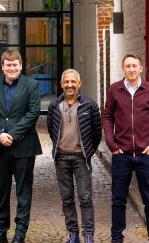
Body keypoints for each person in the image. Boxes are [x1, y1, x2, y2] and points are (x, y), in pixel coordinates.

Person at [0, 48, 43, 243]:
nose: (12, 68)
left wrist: (13, 135)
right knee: (1, 190)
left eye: (15, 64)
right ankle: (1, 231)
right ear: (2, 67)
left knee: (24, 191)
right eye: (8, 65)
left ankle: (20, 232)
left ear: (21, 65)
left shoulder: (31, 84)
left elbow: (33, 113)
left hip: (24, 146)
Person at [102, 54, 149, 243]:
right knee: (118, 200)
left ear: (141, 68)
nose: (131, 69)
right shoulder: (114, 90)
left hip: (146, 155)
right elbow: (107, 117)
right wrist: (111, 144)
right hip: (122, 155)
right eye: (127, 66)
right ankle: (116, 238)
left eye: (134, 66)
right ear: (123, 69)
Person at [46, 69, 102, 243]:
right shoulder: (54, 106)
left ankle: (88, 234)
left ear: (79, 83)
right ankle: (73, 233)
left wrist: (88, 152)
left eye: (73, 82)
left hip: (81, 159)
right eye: (66, 82)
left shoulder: (90, 105)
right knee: (67, 199)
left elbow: (96, 133)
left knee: (85, 197)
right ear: (62, 84)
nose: (70, 85)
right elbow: (51, 130)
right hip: (61, 158)